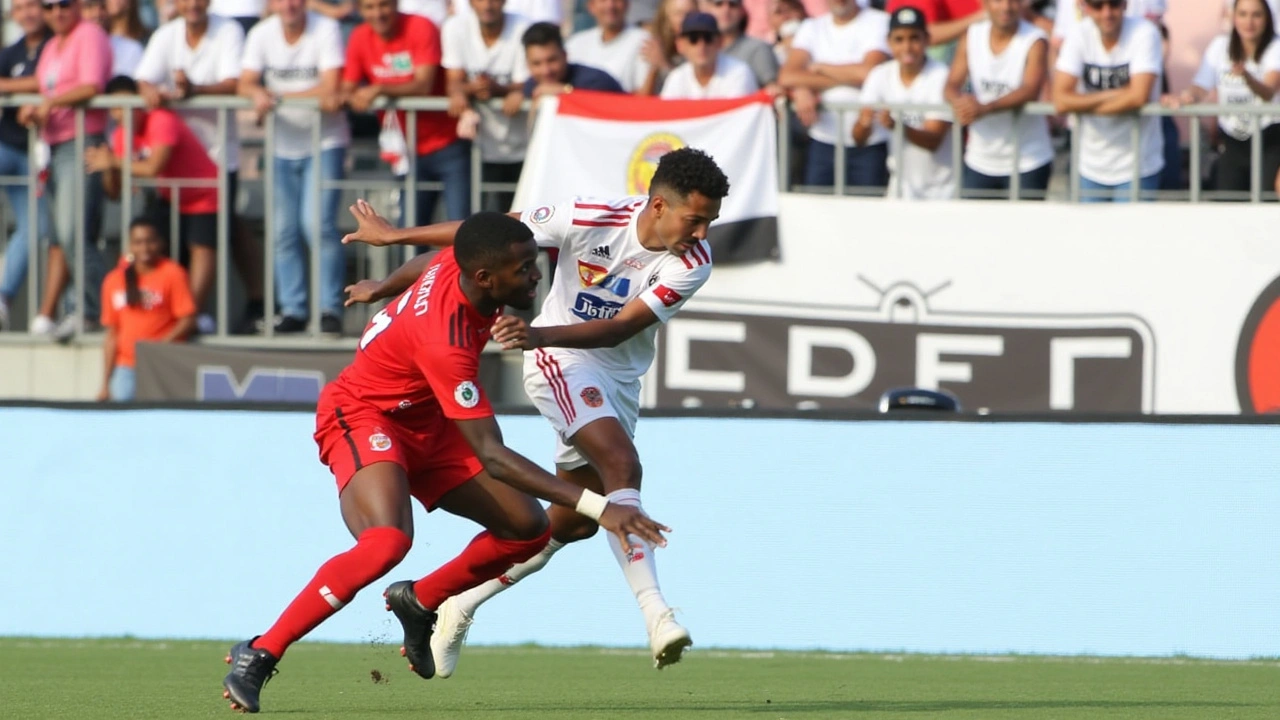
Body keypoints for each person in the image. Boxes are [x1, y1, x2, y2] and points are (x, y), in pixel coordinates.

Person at [220, 212, 669, 714]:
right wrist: (599, 507)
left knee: (528, 529)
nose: (537, 275)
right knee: (387, 542)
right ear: (485, 278)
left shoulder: (462, 271)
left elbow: (427, 262)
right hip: (366, 416)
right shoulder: (446, 341)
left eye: (533, 262)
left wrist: (382, 287)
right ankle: (259, 652)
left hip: (430, 421)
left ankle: (419, 600)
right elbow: (494, 457)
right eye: (524, 269)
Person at [340, 147, 730, 675]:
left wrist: (534, 332)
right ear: (658, 205)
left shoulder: (692, 263)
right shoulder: (593, 216)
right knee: (622, 467)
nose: (703, 233)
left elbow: (620, 329)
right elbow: (487, 236)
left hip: (611, 375)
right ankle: (657, 615)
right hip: (558, 359)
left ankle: (457, 601)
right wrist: (393, 244)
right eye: (696, 219)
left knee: (570, 526)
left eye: (710, 221)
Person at [135, 0, 264, 334]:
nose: (192, 4)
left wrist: (192, 91)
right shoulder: (166, 34)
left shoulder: (229, 30)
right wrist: (151, 92)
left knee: (207, 238)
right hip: (176, 158)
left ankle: (193, 315)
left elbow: (234, 82)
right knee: (178, 236)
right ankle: (190, 312)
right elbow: (143, 80)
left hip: (217, 157)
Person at [240, 0, 350, 334]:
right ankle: (294, 309)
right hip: (281, 145)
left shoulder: (326, 29)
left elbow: (332, 85)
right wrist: (257, 92)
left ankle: (330, 308)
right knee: (283, 231)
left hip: (324, 142)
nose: (289, 4)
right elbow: (244, 82)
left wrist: (277, 96)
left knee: (317, 226)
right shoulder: (261, 33)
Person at [84, 75, 221, 315]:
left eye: (126, 104)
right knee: (146, 246)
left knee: (202, 248)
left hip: (204, 192)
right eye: (115, 107)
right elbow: (114, 192)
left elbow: (153, 167)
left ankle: (191, 315)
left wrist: (114, 161)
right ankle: (148, 313)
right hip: (170, 197)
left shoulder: (160, 119)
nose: (121, 112)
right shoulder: (120, 135)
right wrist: (108, 168)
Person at [22, 0, 112, 338]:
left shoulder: (88, 35)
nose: (56, 11)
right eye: (48, 6)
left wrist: (51, 103)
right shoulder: (52, 44)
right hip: (54, 145)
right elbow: (47, 89)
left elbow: (91, 86)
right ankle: (83, 308)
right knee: (61, 236)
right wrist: (32, 109)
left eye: (63, 4)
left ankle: (94, 311)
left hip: (81, 143)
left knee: (75, 232)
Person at [343, 0, 470, 225]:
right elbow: (348, 87)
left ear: (396, 5)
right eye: (369, 7)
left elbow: (424, 85)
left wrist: (380, 89)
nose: (378, 13)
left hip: (448, 143)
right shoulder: (359, 36)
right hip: (405, 150)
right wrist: (345, 96)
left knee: (460, 229)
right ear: (360, 10)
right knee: (409, 231)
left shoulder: (420, 26)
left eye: (383, 5)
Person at [1052, 0, 1163, 202]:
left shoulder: (1144, 32)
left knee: (1132, 234)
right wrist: (1115, 94)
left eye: (1114, 4)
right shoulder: (1078, 34)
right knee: (1090, 234)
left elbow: (1139, 96)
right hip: (1090, 164)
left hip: (1138, 164)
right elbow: (1060, 100)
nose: (1107, 13)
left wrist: (1082, 103)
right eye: (1097, 5)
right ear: (1084, 7)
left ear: (1125, 4)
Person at [1168, 0, 1280, 198]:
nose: (1249, 22)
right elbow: (1201, 86)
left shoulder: (1275, 47)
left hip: (1269, 141)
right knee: (1227, 203)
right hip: (1231, 141)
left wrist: (1247, 78)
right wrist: (1186, 97)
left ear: (1267, 18)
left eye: (1256, 15)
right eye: (1243, 14)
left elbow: (1268, 92)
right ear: (1233, 16)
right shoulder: (1220, 46)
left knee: (1266, 204)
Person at [945, 0, 1053, 199]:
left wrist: (984, 108)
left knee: (1025, 230)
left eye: (1012, 1)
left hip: (1028, 159)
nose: (1006, 7)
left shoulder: (1035, 39)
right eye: (998, 0)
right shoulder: (972, 35)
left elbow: (1030, 90)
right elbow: (951, 85)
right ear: (984, 4)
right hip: (979, 158)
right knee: (975, 229)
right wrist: (961, 103)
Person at [779, 0, 891, 191]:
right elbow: (787, 76)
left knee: (868, 212)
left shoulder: (879, 21)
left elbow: (869, 73)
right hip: (823, 140)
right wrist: (801, 88)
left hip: (870, 140)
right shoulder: (811, 26)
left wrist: (819, 69)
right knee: (817, 211)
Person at [855, 5, 955, 199]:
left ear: (927, 39)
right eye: (899, 40)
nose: (907, 47)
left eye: (914, 38)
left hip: (942, 189)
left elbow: (933, 140)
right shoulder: (880, 75)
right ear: (888, 43)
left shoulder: (941, 76)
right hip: (900, 187)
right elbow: (858, 138)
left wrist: (897, 125)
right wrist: (865, 123)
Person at [442, 0, 530, 213]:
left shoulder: (524, 28)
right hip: (476, 147)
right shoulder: (455, 27)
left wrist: (494, 89)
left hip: (523, 145)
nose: (488, 4)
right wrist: (464, 91)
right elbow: (453, 81)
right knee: (475, 221)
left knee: (519, 222)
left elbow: (529, 82)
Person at [97, 218, 196, 402]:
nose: (145, 248)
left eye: (150, 241)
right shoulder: (114, 280)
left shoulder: (172, 273)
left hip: (162, 363)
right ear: (130, 245)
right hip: (126, 365)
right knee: (122, 420)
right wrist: (105, 383)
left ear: (160, 243)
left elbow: (188, 319)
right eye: (138, 242)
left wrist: (159, 346)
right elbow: (112, 334)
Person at [0, 0, 52, 332]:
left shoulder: (57, 42)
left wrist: (25, 90)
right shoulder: (10, 52)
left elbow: (56, 80)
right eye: (20, 8)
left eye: (33, 5)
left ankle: (3, 296)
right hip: (8, 147)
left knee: (38, 225)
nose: (28, 13)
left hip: (45, 152)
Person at [660, 11, 760, 98]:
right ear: (680, 45)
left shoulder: (739, 73)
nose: (701, 46)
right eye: (693, 39)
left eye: (708, 38)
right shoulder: (676, 78)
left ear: (720, 41)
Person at [521, 21, 626, 104]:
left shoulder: (597, 81)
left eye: (552, 60)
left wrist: (566, 92)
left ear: (565, 56)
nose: (546, 70)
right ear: (527, 64)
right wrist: (518, 99)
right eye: (536, 64)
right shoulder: (531, 86)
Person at [565, 0, 655, 94]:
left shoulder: (645, 41)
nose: (610, 5)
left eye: (616, 1)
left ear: (627, 4)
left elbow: (643, 96)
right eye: (603, 1)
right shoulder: (575, 43)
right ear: (591, 6)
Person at [699, 0, 780, 91]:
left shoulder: (758, 49)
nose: (726, 10)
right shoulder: (697, 49)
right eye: (718, 4)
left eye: (733, 5)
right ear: (707, 9)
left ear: (742, 11)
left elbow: (773, 91)